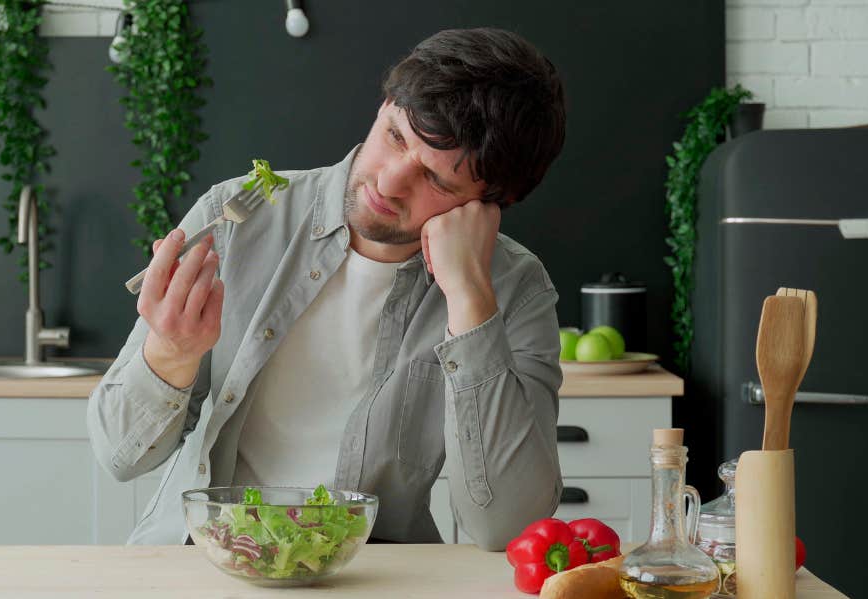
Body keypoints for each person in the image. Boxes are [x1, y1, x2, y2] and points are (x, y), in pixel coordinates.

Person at [88, 27, 567, 551]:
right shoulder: (237, 216)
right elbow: (119, 455)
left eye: (437, 181)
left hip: (376, 577)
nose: (387, 183)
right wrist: (171, 352)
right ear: (384, 104)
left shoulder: (515, 287)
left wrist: (471, 298)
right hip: (200, 563)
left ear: (490, 202)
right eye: (395, 137)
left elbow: (508, 528)